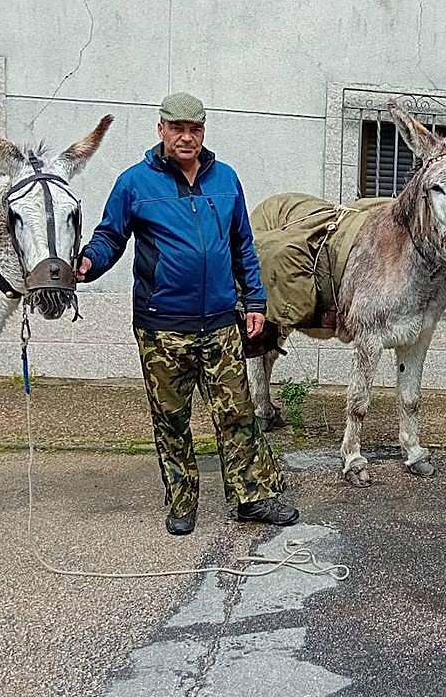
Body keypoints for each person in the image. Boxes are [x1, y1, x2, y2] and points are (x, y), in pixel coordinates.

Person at [76, 92, 298, 535]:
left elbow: (243, 248)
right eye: (177, 128)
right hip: (161, 328)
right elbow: (110, 237)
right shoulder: (134, 183)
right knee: (172, 420)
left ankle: (251, 497)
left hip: (220, 324)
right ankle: (181, 501)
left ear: (203, 132)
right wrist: (88, 262)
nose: (186, 137)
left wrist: (255, 302)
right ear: (161, 129)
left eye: (194, 129)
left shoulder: (226, 179)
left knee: (237, 414)